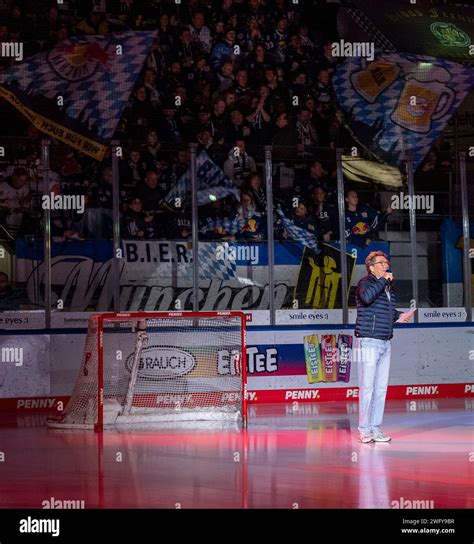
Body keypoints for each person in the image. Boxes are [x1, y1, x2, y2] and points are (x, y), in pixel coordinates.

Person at [355, 251, 412, 443]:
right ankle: (364, 429)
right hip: (368, 341)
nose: (386, 266)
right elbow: (367, 299)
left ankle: (375, 427)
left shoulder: (387, 287)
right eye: (382, 263)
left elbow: (383, 309)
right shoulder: (366, 283)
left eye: (387, 263)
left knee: (380, 389)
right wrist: (383, 281)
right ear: (371, 267)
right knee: (367, 387)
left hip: (385, 341)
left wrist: (399, 315)